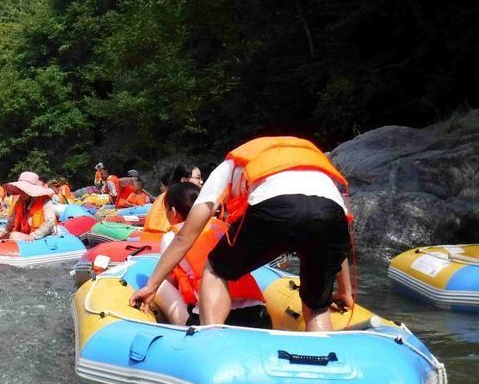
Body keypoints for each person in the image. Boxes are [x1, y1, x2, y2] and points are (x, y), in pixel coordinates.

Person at [130, 136, 354, 332]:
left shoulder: (233, 164)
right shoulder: (311, 166)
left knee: (216, 268)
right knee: (317, 307)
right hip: (331, 215)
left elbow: (185, 236)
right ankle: (322, 361)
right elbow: (338, 244)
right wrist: (345, 292)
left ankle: (211, 340)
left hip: (275, 207)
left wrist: (151, 286)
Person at [146, 182, 263, 325]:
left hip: (210, 322)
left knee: (160, 283)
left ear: (174, 211)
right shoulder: (225, 227)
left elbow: (170, 279)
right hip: (258, 315)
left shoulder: (171, 238)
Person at [139, 165, 201, 240]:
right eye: (198, 178)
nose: (201, 181)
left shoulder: (165, 195)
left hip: (150, 237)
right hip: (164, 238)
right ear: (184, 179)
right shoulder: (183, 197)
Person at [0, 171, 58, 241]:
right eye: (20, 189)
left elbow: (50, 222)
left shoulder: (45, 200)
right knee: (8, 235)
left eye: (24, 190)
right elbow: (12, 219)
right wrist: (4, 230)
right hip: (26, 233)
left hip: (43, 236)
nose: (21, 192)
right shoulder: (20, 201)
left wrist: (34, 235)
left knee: (14, 235)